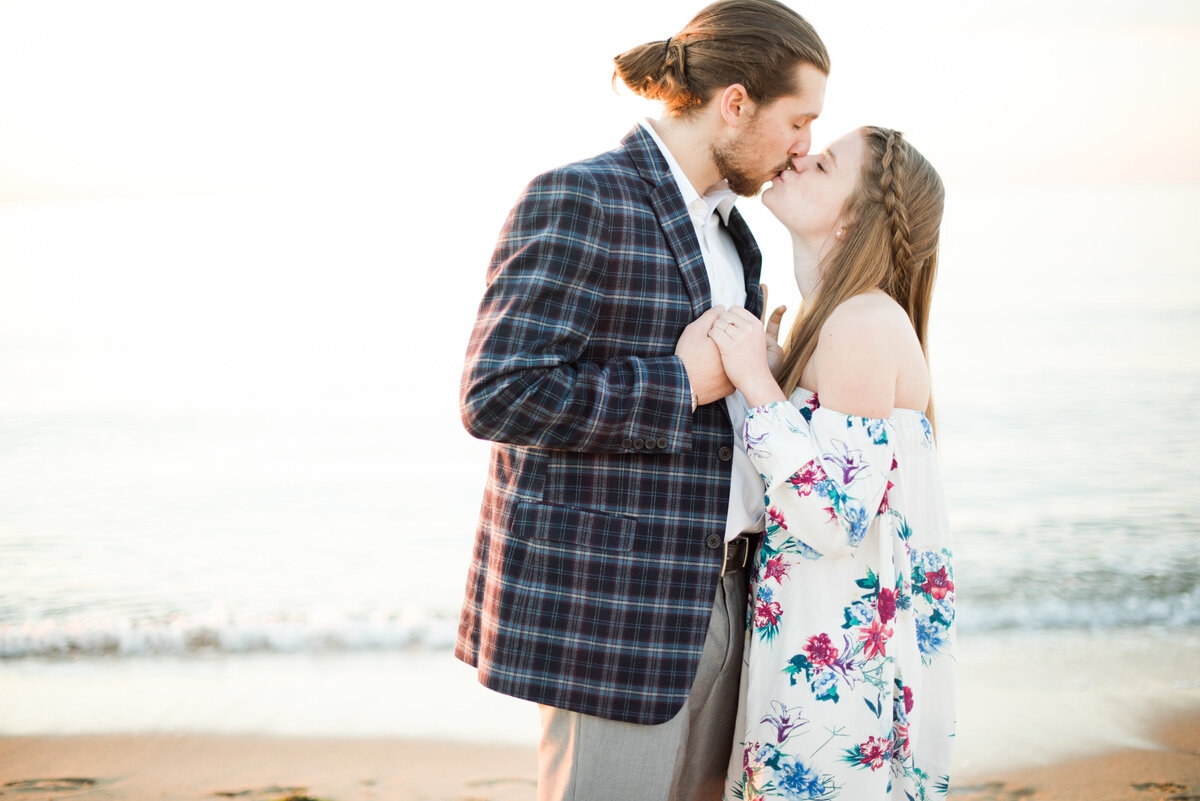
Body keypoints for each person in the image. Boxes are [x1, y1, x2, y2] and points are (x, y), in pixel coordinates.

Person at [455, 2, 829, 799]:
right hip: (615, 610)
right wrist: (678, 384)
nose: (805, 147)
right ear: (735, 102)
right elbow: (497, 391)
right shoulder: (582, 195)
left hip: (731, 591)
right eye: (799, 120)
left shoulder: (735, 232)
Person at [704, 126, 954, 799]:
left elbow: (833, 519)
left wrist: (758, 383)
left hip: (841, 684)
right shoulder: (838, 319)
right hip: (822, 654)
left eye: (822, 163)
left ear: (851, 218)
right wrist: (781, 381)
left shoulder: (863, 322)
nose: (797, 157)